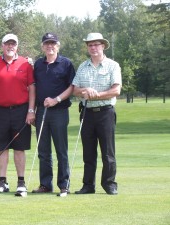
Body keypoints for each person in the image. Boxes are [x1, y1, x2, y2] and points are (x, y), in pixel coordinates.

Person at [72, 33, 122, 195]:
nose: (93, 48)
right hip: (86, 113)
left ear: (103, 46)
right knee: (88, 152)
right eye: (90, 45)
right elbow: (75, 90)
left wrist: (97, 95)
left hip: (105, 112)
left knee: (108, 152)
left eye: (96, 45)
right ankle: (88, 185)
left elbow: (116, 90)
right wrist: (85, 91)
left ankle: (109, 183)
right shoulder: (82, 66)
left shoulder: (112, 66)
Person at [0, 33, 35, 195]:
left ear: (17, 47)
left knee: (19, 148)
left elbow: (32, 88)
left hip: (21, 110)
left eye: (13, 44)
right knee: (2, 147)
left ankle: (21, 182)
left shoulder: (25, 64)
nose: (10, 47)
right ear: (2, 46)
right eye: (7, 44)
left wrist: (30, 110)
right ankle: (2, 181)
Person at [32, 32, 75, 196]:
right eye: (47, 43)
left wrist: (56, 99)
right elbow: (34, 88)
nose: (50, 46)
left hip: (59, 111)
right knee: (43, 151)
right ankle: (45, 184)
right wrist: (33, 110)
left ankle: (64, 184)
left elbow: (72, 87)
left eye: (53, 43)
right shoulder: (38, 64)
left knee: (61, 150)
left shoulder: (66, 63)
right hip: (42, 111)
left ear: (58, 46)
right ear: (42, 46)